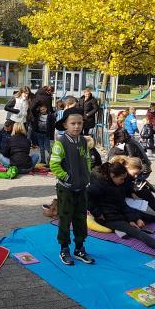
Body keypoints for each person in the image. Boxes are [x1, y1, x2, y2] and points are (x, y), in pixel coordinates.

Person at [87, 161, 155, 258]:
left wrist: (132, 219)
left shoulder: (116, 185)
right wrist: (97, 213)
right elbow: (86, 198)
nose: (123, 182)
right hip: (107, 218)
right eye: (121, 179)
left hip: (117, 213)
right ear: (113, 176)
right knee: (137, 232)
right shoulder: (99, 185)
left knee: (145, 217)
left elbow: (122, 204)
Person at [50, 107, 95, 266]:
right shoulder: (60, 143)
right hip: (66, 188)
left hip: (82, 188)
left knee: (81, 218)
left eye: (79, 123)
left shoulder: (83, 141)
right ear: (65, 125)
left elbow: (87, 159)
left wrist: (87, 176)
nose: (77, 126)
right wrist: (67, 178)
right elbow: (54, 164)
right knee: (65, 218)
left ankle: (79, 248)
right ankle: (64, 248)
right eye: (73, 123)